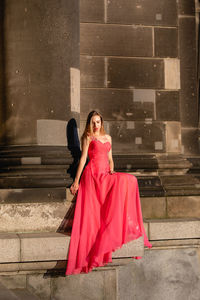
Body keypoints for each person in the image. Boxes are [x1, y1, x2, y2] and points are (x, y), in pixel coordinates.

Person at [65, 110, 152, 275]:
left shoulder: (108, 138)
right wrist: (76, 181)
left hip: (105, 173)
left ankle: (121, 226)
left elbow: (110, 158)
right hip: (93, 175)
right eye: (93, 122)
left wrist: (111, 169)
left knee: (130, 180)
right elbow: (83, 158)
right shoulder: (88, 137)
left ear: (101, 123)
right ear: (89, 123)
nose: (96, 125)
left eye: (98, 122)